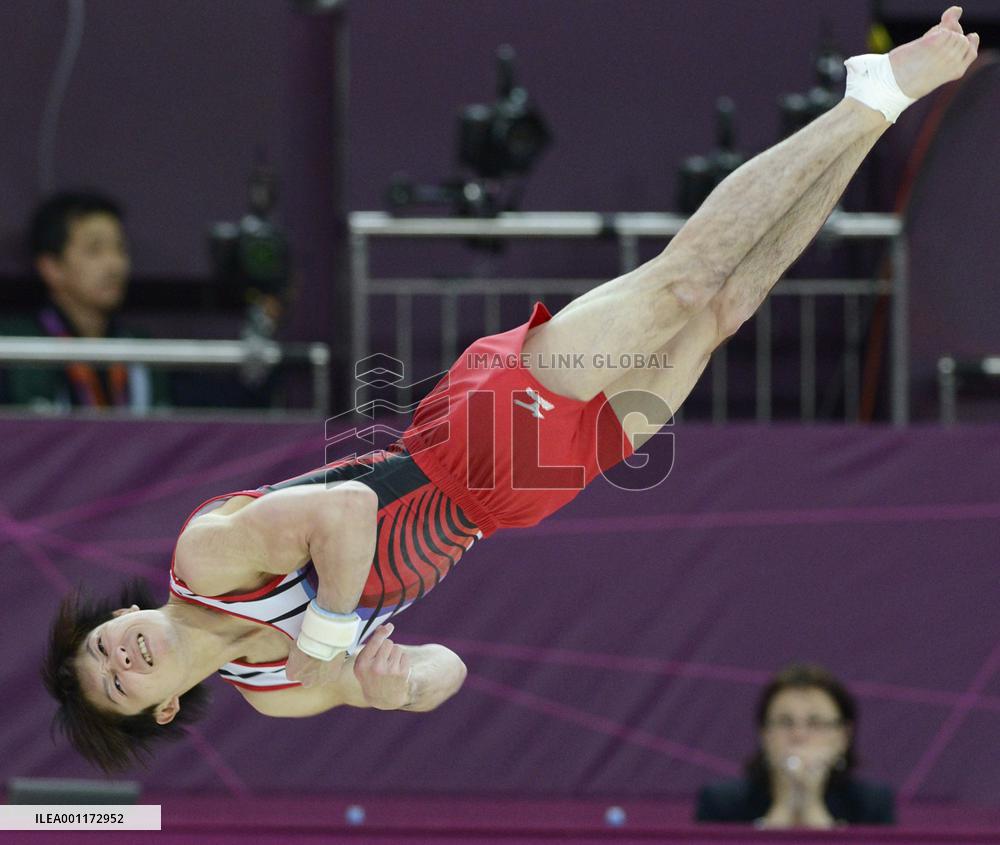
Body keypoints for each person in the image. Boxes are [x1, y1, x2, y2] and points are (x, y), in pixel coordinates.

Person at [42, 9, 979, 772]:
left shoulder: (206, 557)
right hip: (521, 497)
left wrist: (329, 629)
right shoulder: (284, 692)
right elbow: (450, 669)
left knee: (683, 282)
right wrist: (393, 681)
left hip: (472, 432)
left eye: (105, 645)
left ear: (122, 616)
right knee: (723, 311)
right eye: (119, 682)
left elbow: (343, 516)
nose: (120, 657)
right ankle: (875, 111)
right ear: (164, 704)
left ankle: (875, 93)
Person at [0, 190, 170, 411]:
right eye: (94, 250)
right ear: (51, 267)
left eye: (120, 248)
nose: (114, 265)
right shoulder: (14, 346)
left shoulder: (143, 349)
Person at [695, 664, 895, 827]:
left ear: (843, 736)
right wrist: (783, 806)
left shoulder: (871, 805)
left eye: (815, 723)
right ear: (764, 734)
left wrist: (812, 806)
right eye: (785, 722)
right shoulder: (721, 804)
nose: (799, 735)